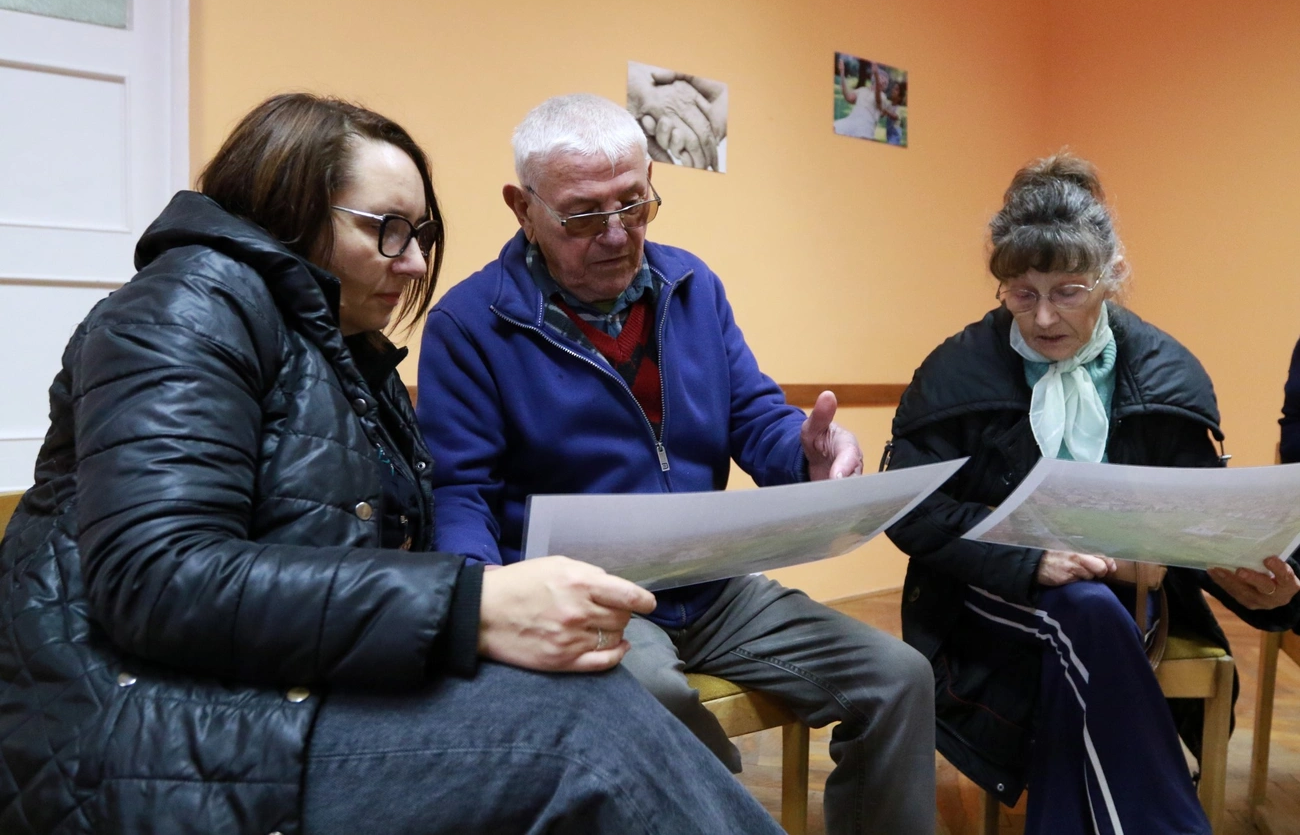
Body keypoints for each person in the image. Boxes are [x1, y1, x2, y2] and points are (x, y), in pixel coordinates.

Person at [0, 93, 790, 835]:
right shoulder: (183, 310)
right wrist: (472, 603)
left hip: (271, 686)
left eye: (419, 234)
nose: (413, 263)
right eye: (388, 230)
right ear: (291, 213)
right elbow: (157, 577)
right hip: (142, 725)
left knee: (588, 705)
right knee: (583, 731)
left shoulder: (342, 349)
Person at [417, 92, 937, 835]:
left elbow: (753, 416)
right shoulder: (470, 324)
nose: (617, 233)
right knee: (655, 701)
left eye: (635, 204)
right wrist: (487, 598)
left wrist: (806, 451)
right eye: (583, 216)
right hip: (593, 598)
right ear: (522, 208)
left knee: (900, 678)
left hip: (714, 584)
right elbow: (461, 491)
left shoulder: (692, 286)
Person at [884, 152, 1300, 834]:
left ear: (1113, 276)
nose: (1044, 317)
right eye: (1023, 294)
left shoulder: (1165, 369)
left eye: (1069, 291)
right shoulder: (955, 369)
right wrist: (1029, 559)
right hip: (988, 599)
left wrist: (1259, 581)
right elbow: (911, 509)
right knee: (1082, 607)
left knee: (1092, 610)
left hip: (1134, 596)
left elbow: (1199, 515)